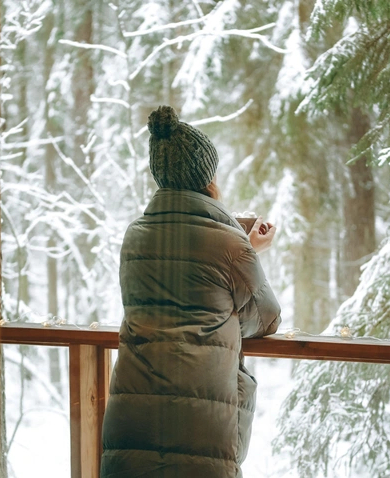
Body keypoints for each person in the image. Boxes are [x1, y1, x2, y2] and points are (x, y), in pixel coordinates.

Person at [101, 105, 281, 478]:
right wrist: (248, 251)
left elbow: (177, 288)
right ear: (207, 176)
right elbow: (265, 319)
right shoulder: (231, 246)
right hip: (201, 424)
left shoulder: (135, 235)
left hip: (132, 416)